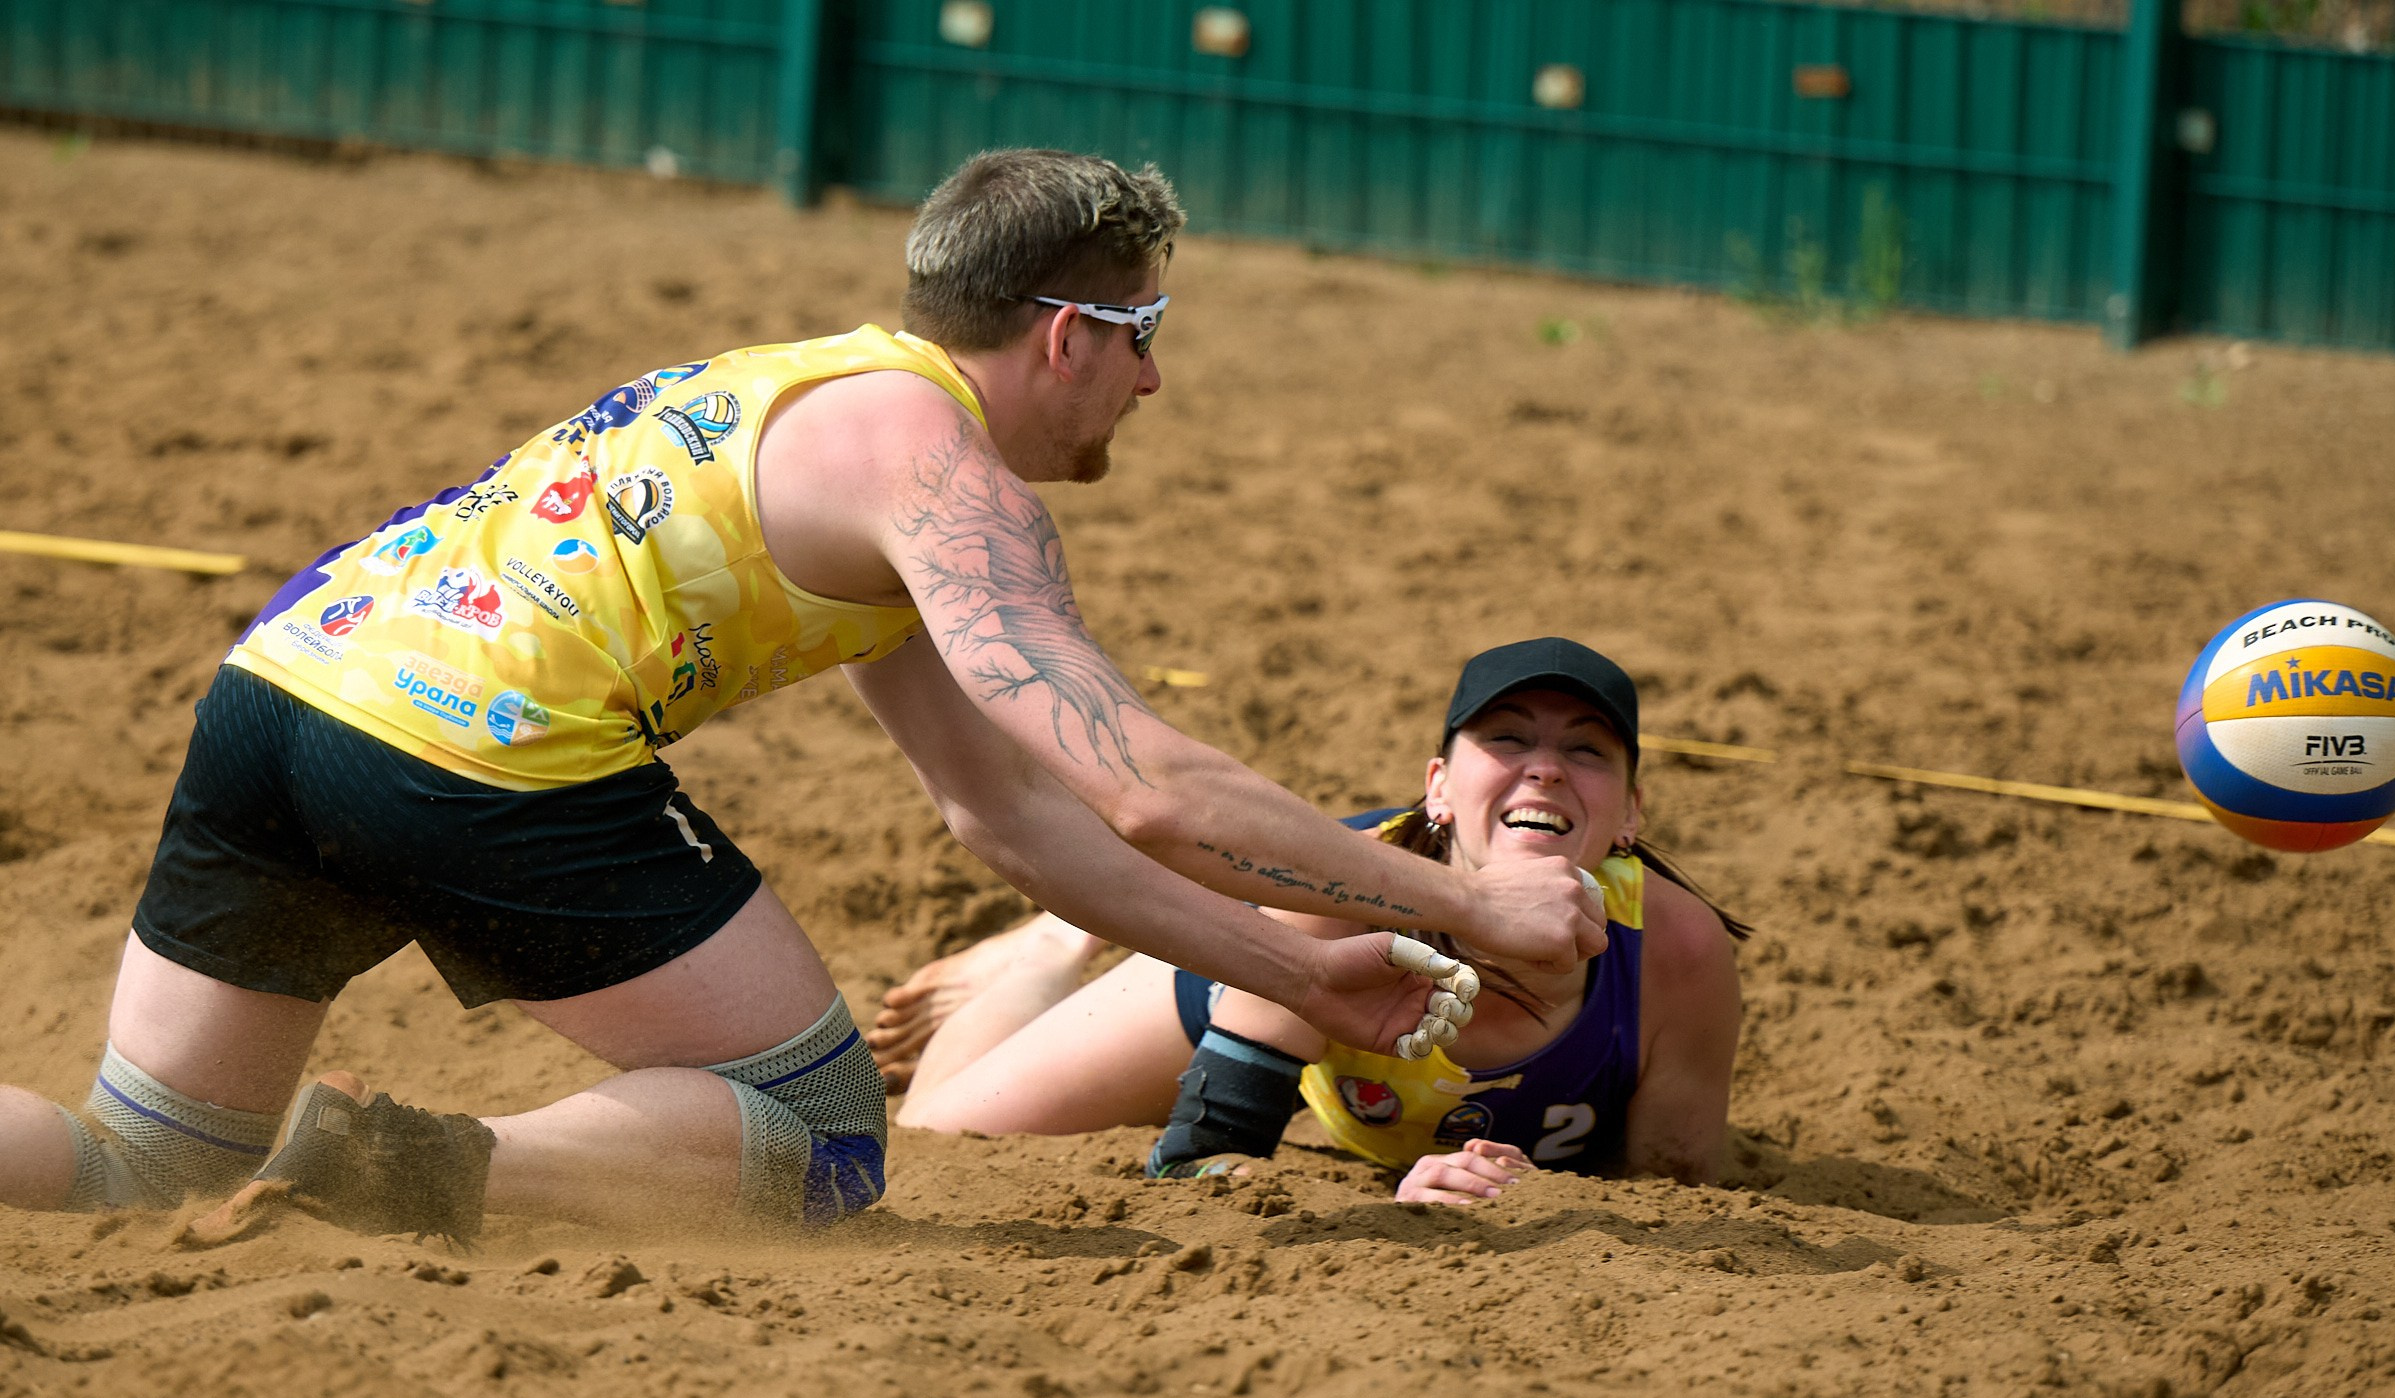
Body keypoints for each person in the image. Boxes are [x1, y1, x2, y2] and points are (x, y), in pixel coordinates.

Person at [0, 149, 1606, 1239]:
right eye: (1146, 334)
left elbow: (1017, 824)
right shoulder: (948, 484)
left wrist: (1307, 977)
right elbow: (1150, 787)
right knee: (826, 1137)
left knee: (142, 1164)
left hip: (279, 696)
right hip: (474, 753)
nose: (1155, 379)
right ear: (1068, 331)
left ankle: (339, 1166)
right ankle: (393, 1169)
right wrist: (1462, 905)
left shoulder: (818, 399)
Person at [884, 639, 1746, 1207]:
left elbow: (1674, 1195)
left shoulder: (1676, 950)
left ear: (1631, 812)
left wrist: (1547, 1196)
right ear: (1439, 787)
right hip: (1251, 970)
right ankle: (1048, 948)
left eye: (1586, 750)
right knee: (936, 1137)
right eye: (1508, 740)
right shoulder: (1330, 901)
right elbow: (1194, 1160)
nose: (1546, 770)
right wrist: (1398, 1198)